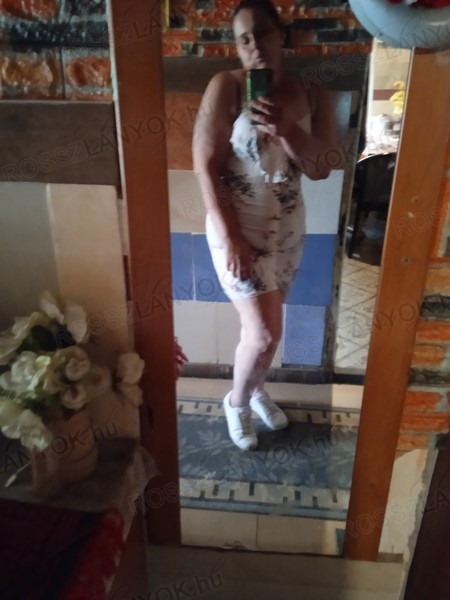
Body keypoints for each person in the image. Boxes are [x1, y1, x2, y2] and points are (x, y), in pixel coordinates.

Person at [192, 0, 340, 450]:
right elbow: (205, 167)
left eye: (262, 32)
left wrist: (286, 129)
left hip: (289, 231)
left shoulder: (313, 92)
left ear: (282, 35)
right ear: (237, 48)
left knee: (263, 332)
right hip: (238, 229)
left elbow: (323, 168)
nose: (254, 44)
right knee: (264, 335)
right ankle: (236, 401)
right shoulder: (227, 87)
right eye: (243, 39)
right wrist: (231, 238)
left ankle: (255, 389)